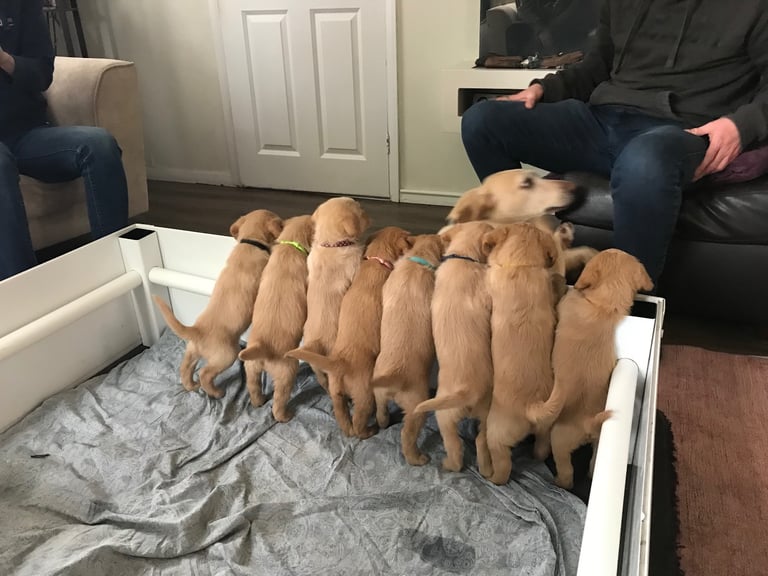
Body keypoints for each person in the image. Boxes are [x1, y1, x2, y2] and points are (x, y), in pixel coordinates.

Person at [461, 0, 768, 284]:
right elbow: (596, 66)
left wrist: (741, 125)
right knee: (483, 121)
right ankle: (528, 264)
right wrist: (544, 89)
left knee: (644, 161)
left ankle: (624, 309)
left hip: (679, 129)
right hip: (602, 118)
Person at [0, 0, 129, 281]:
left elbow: (42, 73)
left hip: (26, 132)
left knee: (99, 145)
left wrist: (5, 60)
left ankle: (115, 268)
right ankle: (21, 289)